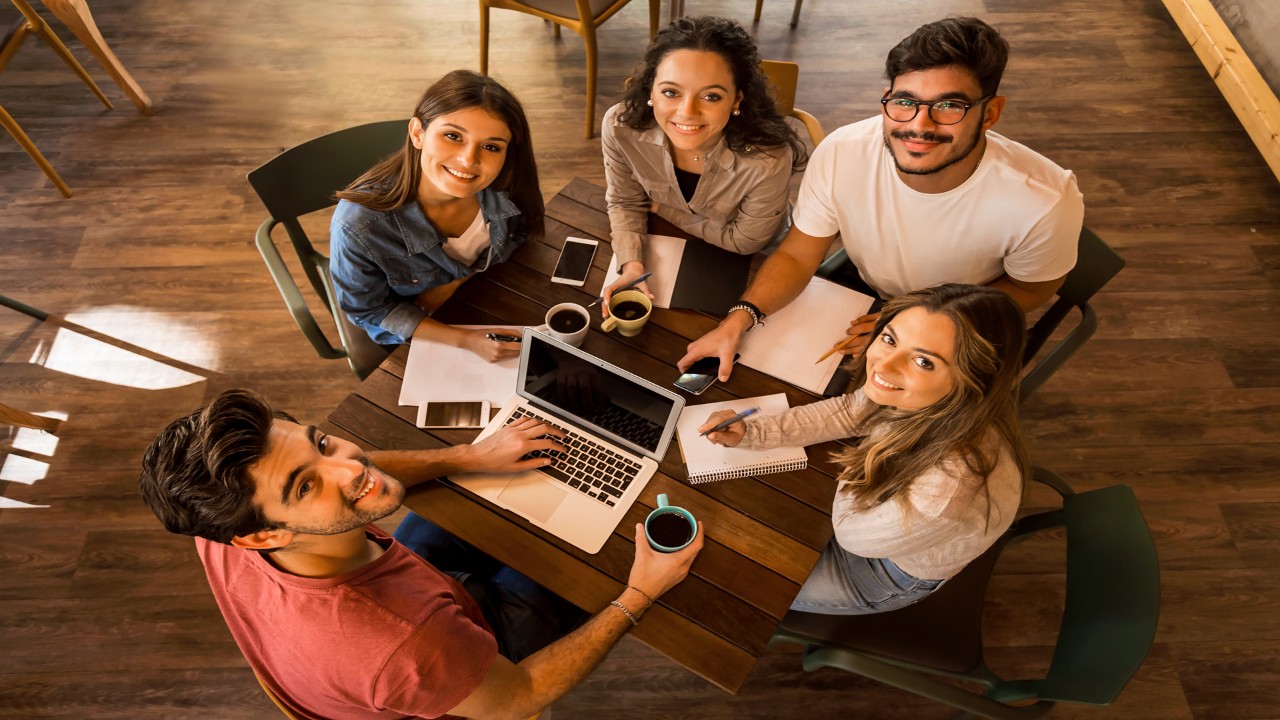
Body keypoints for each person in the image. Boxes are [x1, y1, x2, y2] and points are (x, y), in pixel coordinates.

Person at [139, 389, 702, 719]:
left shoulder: (224, 525)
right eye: (305, 487)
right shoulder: (407, 645)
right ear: (261, 537)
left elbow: (352, 473)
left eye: (321, 443)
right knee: (581, 566)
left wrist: (467, 455)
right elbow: (518, 696)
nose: (354, 465)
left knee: (515, 513)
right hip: (459, 676)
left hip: (388, 612)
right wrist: (640, 594)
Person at [679, 17, 1084, 380]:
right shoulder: (842, 151)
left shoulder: (1044, 200)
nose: (919, 126)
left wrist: (913, 324)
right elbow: (797, 256)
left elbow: (1032, 290)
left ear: (990, 113)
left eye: (949, 106)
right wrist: (738, 319)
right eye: (905, 101)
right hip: (867, 290)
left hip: (962, 315)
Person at [699, 285, 1027, 614]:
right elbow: (853, 411)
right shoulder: (952, 401)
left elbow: (850, 534)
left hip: (884, 569)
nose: (883, 367)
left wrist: (864, 459)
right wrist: (754, 432)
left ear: (974, 379)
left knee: (733, 579)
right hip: (881, 516)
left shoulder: (944, 497)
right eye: (889, 339)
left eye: (924, 362)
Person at [330, 69, 545, 362]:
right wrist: (464, 340)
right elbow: (370, 310)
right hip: (422, 330)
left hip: (484, 300)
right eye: (453, 136)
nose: (469, 160)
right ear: (418, 133)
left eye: (491, 146)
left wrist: (456, 282)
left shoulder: (505, 186)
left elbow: (519, 235)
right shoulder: (359, 226)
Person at [600, 15, 807, 315]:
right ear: (650, 91)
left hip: (757, 259)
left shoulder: (768, 160)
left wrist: (663, 209)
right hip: (672, 242)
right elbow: (624, 201)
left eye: (710, 96)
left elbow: (745, 242)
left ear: (737, 99)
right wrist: (631, 266)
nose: (687, 113)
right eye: (671, 92)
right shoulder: (620, 127)